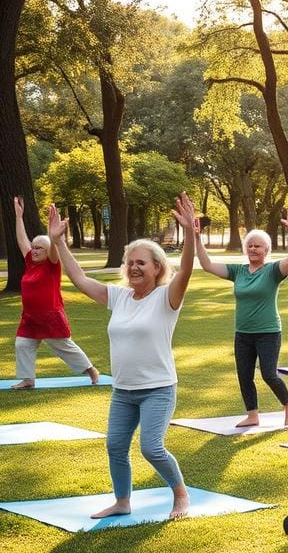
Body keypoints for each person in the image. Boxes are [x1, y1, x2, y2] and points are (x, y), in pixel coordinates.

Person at [48, 193, 198, 520]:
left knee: (151, 447)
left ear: (157, 268)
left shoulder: (166, 297)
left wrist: (190, 235)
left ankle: (181, 494)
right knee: (115, 446)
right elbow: (79, 279)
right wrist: (59, 243)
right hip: (123, 391)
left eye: (141, 262)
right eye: (130, 262)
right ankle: (122, 501)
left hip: (158, 388)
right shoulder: (119, 297)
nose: (133, 267)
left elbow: (185, 269)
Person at [194, 212, 288, 428]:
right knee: (244, 376)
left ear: (266, 251)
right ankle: (252, 415)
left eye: (258, 246)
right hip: (243, 333)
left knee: (269, 374)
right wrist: (197, 237)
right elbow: (207, 265)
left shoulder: (272, 271)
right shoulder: (238, 271)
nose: (253, 249)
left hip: (268, 332)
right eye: (250, 245)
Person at [10, 196, 100, 390]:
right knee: (22, 344)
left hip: (50, 316)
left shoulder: (52, 265)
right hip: (30, 317)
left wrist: (53, 236)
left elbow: (53, 250)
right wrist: (19, 216)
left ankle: (91, 370)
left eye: (38, 248)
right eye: (33, 247)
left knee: (64, 347)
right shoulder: (30, 263)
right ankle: (28, 379)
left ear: (47, 250)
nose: (33, 250)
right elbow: (21, 240)